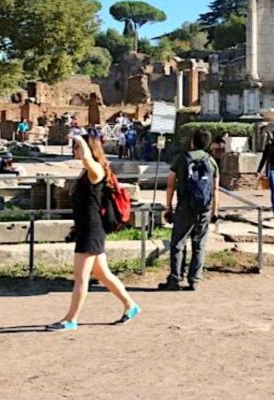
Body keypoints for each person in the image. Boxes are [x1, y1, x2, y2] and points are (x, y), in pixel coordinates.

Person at [47, 131, 140, 331]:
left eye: (79, 147)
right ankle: (130, 305)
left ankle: (71, 319)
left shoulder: (95, 170)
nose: (76, 150)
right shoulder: (85, 172)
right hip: (86, 229)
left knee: (81, 277)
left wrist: (78, 137)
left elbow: (88, 158)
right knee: (103, 274)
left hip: (92, 231)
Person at [159, 128, 219, 291]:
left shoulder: (181, 159)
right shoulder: (211, 161)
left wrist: (168, 207)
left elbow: (170, 184)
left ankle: (175, 278)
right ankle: (194, 279)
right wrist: (215, 211)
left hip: (184, 207)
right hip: (204, 209)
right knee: (199, 244)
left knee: (178, 243)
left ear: (193, 142)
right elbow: (215, 188)